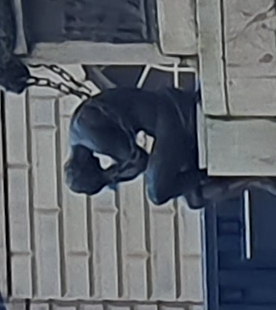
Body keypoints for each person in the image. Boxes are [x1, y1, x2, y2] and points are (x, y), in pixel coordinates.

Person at [63, 69, 209, 207]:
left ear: (86, 170)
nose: (100, 166)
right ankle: (214, 174)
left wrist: (108, 177)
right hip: (165, 115)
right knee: (194, 198)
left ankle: (209, 171)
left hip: (170, 115)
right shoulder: (78, 132)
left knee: (157, 192)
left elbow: (140, 161)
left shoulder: (92, 137)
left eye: (97, 175)